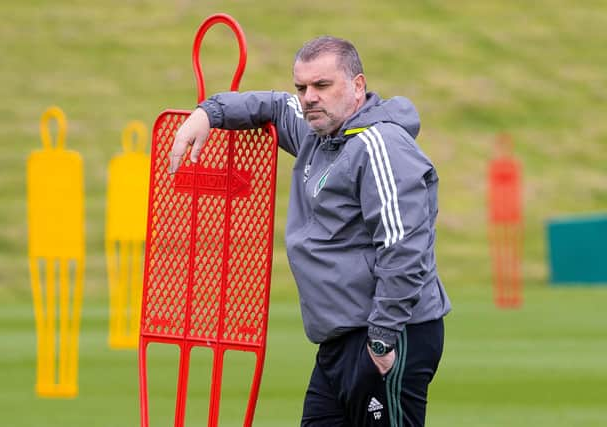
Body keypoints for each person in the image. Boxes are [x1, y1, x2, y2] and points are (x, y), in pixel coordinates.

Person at [170, 36, 451, 427]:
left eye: (322, 85)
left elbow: (404, 245)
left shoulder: (380, 145)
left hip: (389, 333)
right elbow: (270, 104)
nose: (308, 97)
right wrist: (209, 113)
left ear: (357, 86)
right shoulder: (318, 133)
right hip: (338, 340)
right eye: (301, 86)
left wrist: (383, 338)